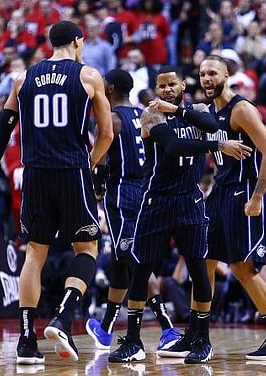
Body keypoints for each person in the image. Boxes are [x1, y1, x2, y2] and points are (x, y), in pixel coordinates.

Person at [0, 21, 113, 365]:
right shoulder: (89, 76)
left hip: (34, 172)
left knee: (34, 254)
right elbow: (107, 135)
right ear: (79, 42)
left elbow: (3, 131)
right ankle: (63, 318)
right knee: (87, 247)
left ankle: (26, 341)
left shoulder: (22, 78)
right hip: (71, 170)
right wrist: (89, 165)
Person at [107, 65, 251, 364]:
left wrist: (180, 111)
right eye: (162, 86)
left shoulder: (196, 110)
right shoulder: (151, 115)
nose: (167, 89)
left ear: (182, 85)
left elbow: (211, 124)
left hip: (190, 200)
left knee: (199, 270)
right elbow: (173, 146)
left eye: (172, 84)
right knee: (142, 268)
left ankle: (202, 339)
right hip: (156, 200)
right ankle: (133, 340)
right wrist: (218, 146)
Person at [199, 55, 266, 360]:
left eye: (212, 73)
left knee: (244, 270)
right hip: (220, 191)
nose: (206, 79)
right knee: (204, 261)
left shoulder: (240, 109)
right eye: (202, 74)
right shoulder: (210, 112)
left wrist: (256, 198)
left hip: (244, 193)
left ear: (227, 75)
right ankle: (196, 335)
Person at [85, 68, 181, 352]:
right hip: (145, 191)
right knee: (120, 260)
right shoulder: (145, 114)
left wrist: (97, 183)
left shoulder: (111, 119)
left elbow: (101, 159)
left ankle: (167, 327)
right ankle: (105, 329)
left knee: (132, 259)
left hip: (122, 193)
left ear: (111, 88)